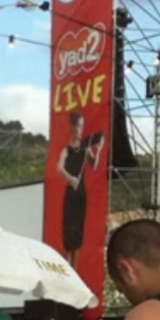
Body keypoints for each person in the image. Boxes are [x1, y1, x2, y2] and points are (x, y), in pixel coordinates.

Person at [57, 111, 104, 268]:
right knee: (68, 231)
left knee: (78, 232)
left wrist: (98, 150)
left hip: (81, 194)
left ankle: (74, 269)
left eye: (82, 126)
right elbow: (59, 168)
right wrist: (70, 179)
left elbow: (94, 165)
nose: (80, 130)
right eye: (78, 126)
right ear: (71, 127)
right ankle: (67, 266)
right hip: (71, 193)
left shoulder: (85, 147)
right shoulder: (66, 149)